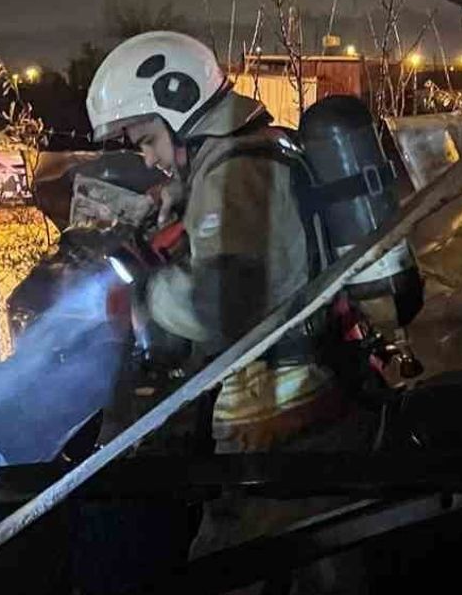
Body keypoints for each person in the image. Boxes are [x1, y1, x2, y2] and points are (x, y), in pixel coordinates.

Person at [87, 31, 371, 593]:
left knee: (235, 564)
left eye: (147, 139)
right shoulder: (257, 149)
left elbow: (224, 300)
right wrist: (184, 200)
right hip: (308, 404)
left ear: (179, 106)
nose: (149, 158)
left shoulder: (238, 168)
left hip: (277, 419)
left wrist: (146, 296)